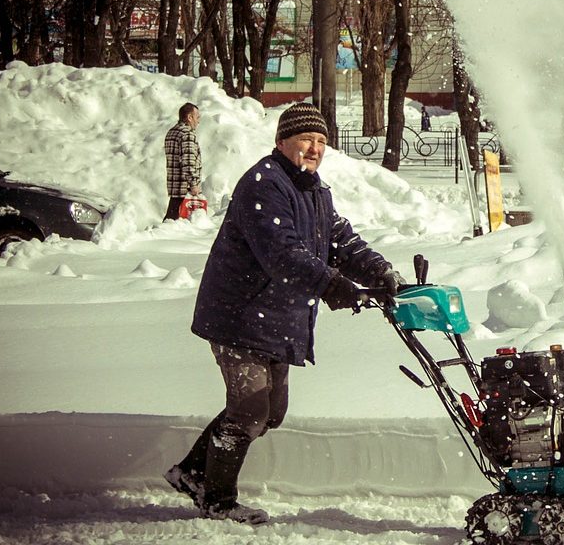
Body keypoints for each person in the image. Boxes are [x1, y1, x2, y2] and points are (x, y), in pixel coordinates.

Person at [164, 102, 404, 524]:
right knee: (250, 409)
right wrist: (331, 284)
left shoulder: (314, 189)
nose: (314, 149)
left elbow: (338, 239)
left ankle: (192, 471)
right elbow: (282, 252)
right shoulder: (264, 184)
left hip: (276, 316)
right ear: (282, 142)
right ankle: (215, 497)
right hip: (240, 314)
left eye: (321, 142)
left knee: (270, 412)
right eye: (306, 140)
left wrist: (379, 270)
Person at [164, 103, 202, 221]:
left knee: (171, 217)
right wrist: (193, 184)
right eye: (197, 117)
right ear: (190, 117)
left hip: (174, 187)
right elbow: (188, 161)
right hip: (185, 189)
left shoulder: (171, 132)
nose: (198, 121)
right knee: (176, 224)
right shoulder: (187, 134)